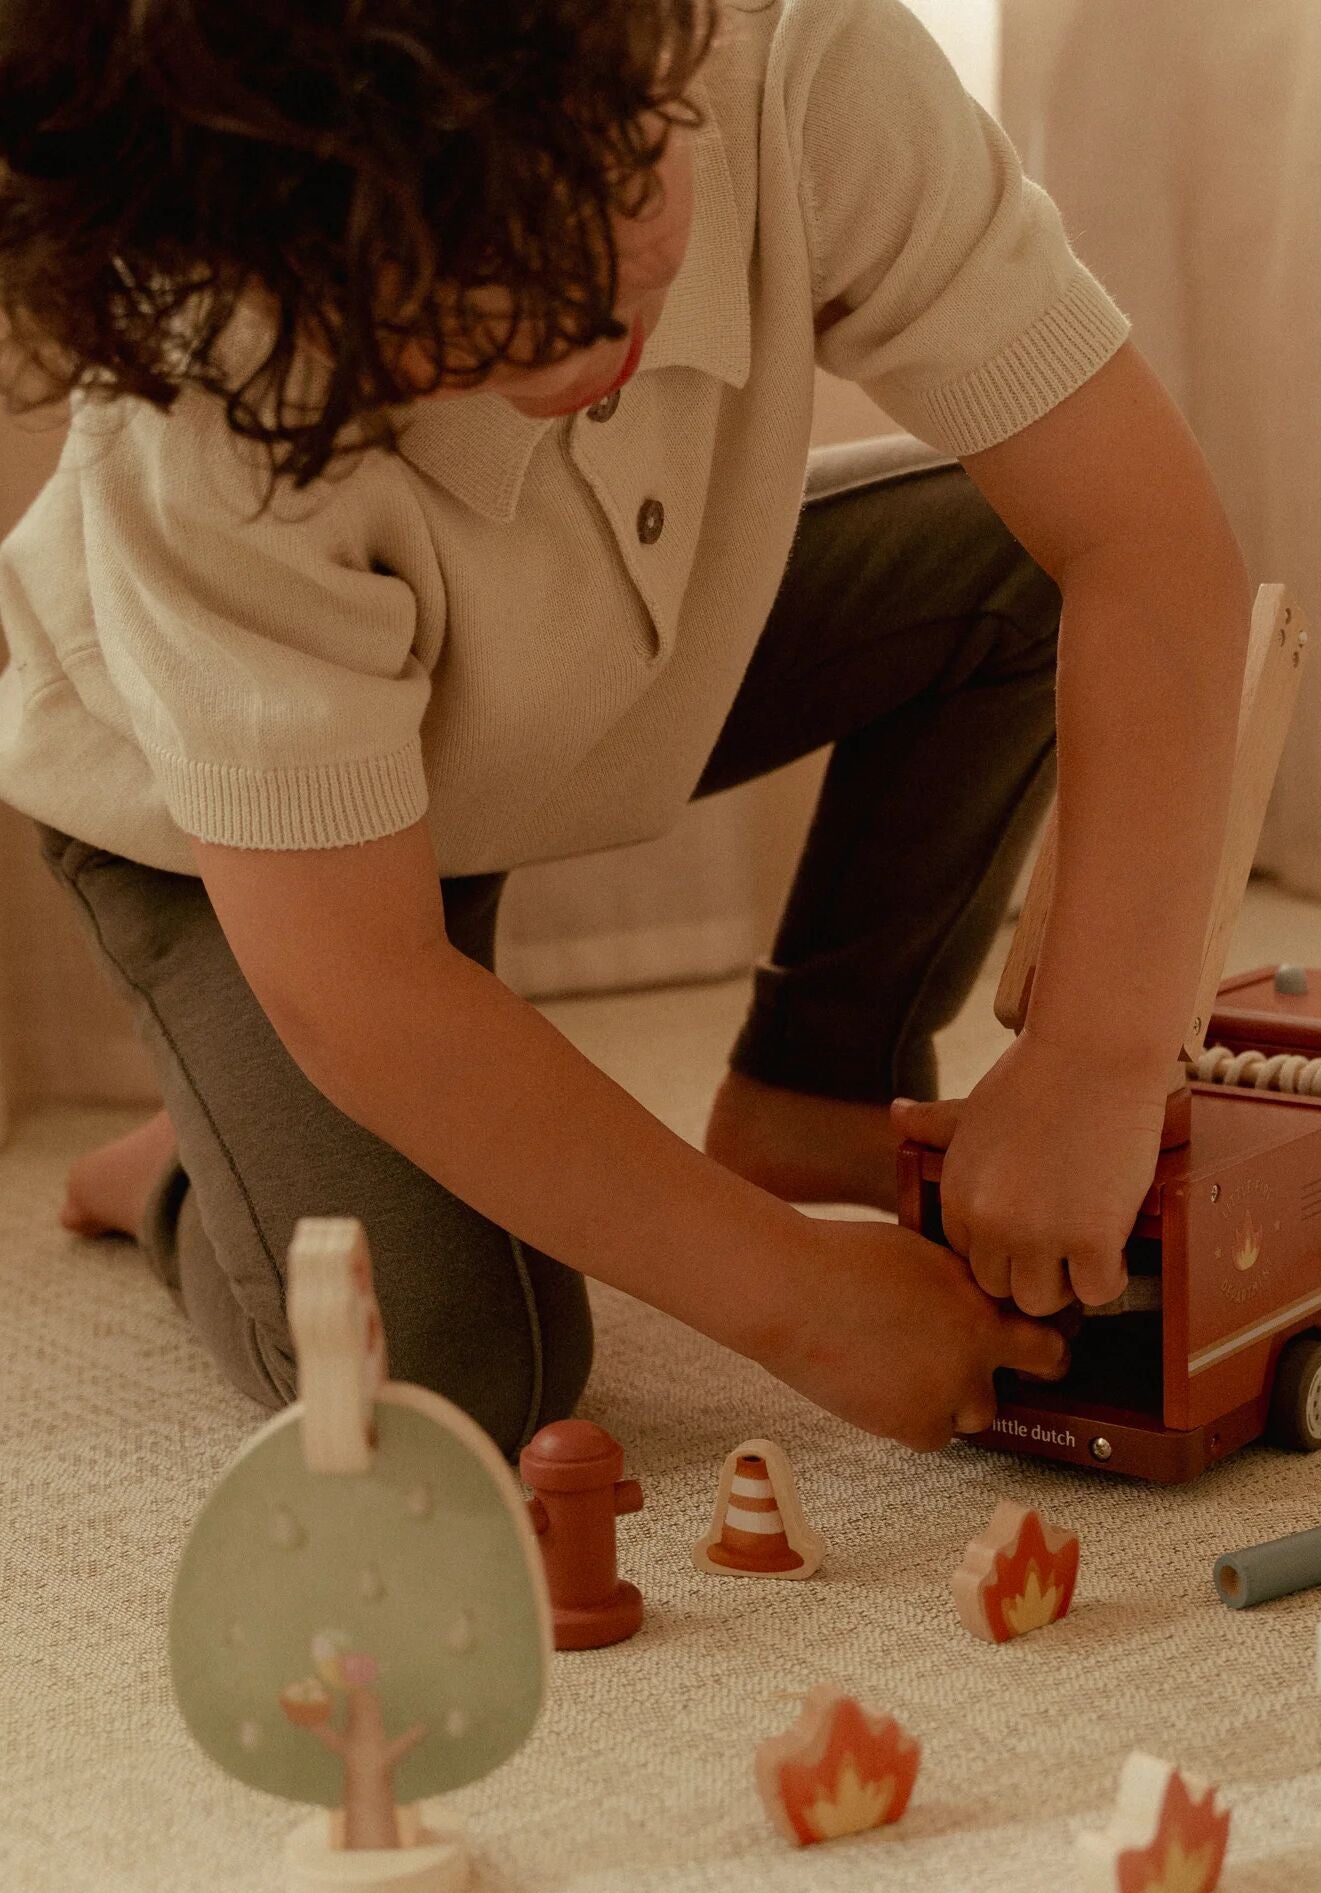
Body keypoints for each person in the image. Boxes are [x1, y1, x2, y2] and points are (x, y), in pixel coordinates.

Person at [0, 0, 1250, 1458]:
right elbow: (367, 992)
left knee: (1016, 572)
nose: (589, 325)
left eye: (622, 179)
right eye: (467, 303)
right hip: (240, 848)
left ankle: (812, 1085)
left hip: (601, 674)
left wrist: (1100, 1051)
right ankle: (189, 1174)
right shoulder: (203, 407)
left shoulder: (800, 65)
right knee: (465, 1375)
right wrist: (800, 1302)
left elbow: (1144, 545)